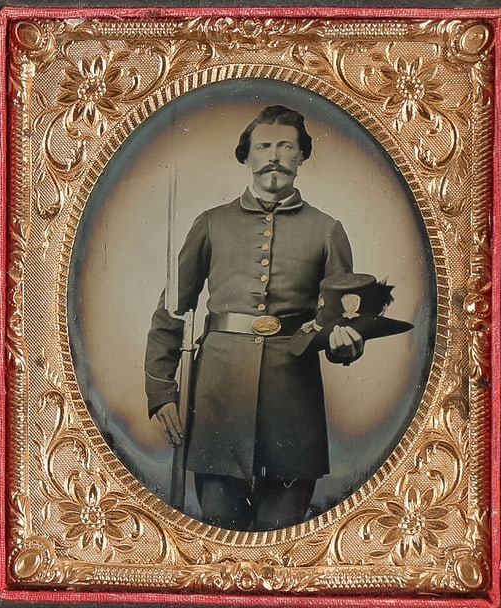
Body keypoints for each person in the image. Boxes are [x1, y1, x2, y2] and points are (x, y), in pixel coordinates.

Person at [144, 105, 364, 531]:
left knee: (282, 539)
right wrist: (161, 390)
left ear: (302, 156)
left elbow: (341, 321)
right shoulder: (211, 224)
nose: (274, 156)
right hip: (218, 402)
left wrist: (345, 344)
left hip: (293, 408)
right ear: (246, 156)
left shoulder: (327, 230)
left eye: (285, 147)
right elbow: (172, 310)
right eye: (263, 147)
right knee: (219, 532)